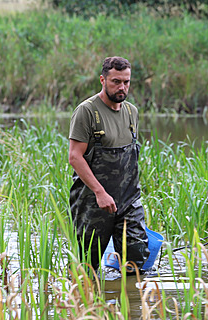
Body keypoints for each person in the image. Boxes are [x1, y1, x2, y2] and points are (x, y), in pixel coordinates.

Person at [68, 56, 150, 273]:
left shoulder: (132, 112)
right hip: (92, 202)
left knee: (136, 262)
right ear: (103, 80)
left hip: (129, 201)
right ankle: (86, 305)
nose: (122, 87)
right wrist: (100, 192)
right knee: (88, 268)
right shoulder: (87, 112)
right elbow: (75, 157)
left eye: (126, 82)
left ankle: (130, 304)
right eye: (116, 81)